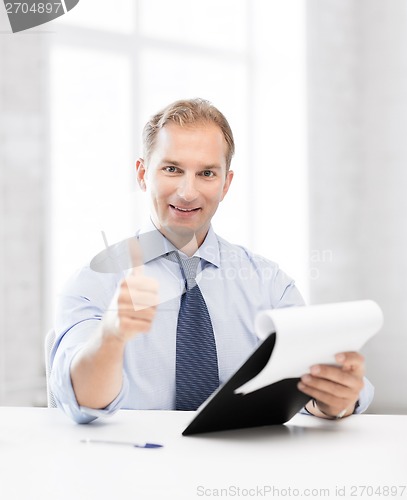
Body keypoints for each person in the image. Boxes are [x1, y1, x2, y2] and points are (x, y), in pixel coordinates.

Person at [50, 98, 373, 424]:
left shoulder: (269, 284)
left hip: (241, 463)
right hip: (134, 467)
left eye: (206, 173)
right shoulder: (93, 283)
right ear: (143, 173)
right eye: (172, 169)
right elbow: (82, 402)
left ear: (225, 183)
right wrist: (111, 338)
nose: (188, 192)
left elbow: (310, 381)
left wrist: (334, 400)